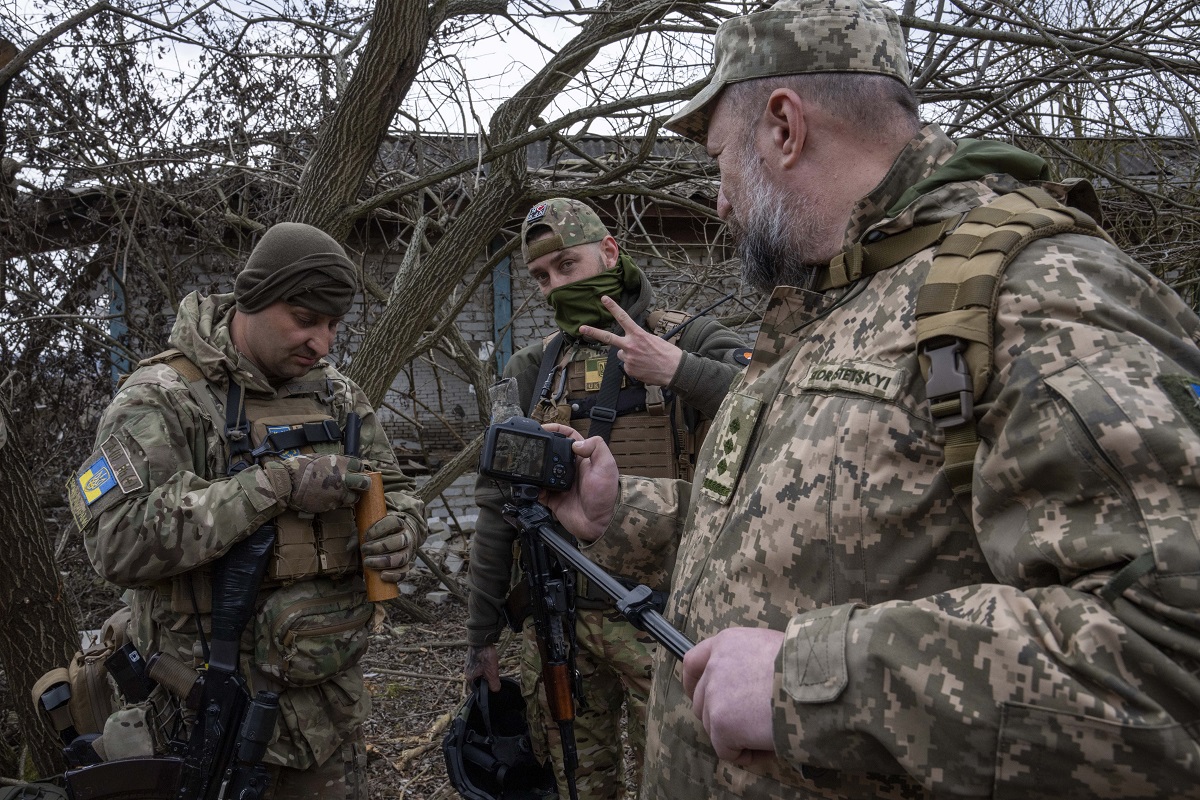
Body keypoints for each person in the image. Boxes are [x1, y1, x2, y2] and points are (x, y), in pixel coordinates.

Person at [539, 0, 1200, 797]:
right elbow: (799, 542)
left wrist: (805, 678)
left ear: (784, 128)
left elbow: (1166, 660)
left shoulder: (1038, 292)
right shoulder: (836, 303)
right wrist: (620, 514)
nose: (718, 203)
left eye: (719, 162)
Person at [68, 222, 426, 799]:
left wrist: (403, 529)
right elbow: (116, 540)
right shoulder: (160, 398)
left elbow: (399, 487)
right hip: (208, 719)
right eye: (305, 320)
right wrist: (272, 487)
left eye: (333, 325)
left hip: (328, 721)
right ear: (253, 298)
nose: (323, 343)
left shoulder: (337, 396)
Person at [464, 198, 748, 798]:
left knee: (676, 783)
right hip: (559, 618)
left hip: (669, 619)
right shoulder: (532, 367)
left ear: (610, 250)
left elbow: (777, 411)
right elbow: (497, 507)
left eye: (567, 265)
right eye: (540, 277)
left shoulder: (692, 337)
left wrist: (678, 370)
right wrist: (481, 634)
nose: (553, 287)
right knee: (575, 785)